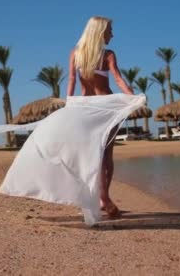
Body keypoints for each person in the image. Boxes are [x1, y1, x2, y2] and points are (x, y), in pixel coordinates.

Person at [66, 16, 133, 219]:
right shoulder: (108, 54)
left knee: (92, 155)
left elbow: (71, 80)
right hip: (106, 109)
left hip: (85, 108)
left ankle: (101, 197)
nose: (112, 34)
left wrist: (69, 103)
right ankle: (104, 198)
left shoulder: (76, 53)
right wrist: (132, 96)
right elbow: (118, 78)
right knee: (106, 156)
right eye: (110, 30)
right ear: (100, 32)